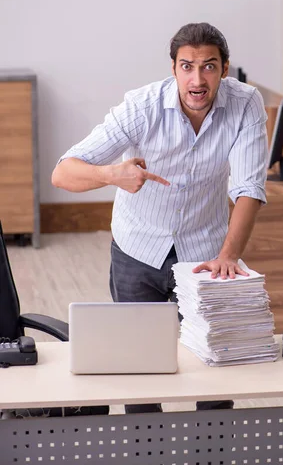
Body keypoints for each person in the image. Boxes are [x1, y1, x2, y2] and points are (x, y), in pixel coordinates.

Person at [52, 22, 268, 413]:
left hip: (206, 253)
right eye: (187, 66)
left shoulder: (246, 103)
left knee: (215, 368)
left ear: (225, 68)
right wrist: (110, 174)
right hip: (138, 248)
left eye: (209, 66)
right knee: (139, 375)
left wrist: (230, 255)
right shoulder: (141, 107)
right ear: (173, 69)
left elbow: (249, 187)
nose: (197, 79)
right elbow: (63, 172)